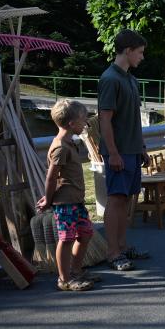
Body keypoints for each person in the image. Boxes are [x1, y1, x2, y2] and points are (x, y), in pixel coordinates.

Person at [98, 29, 150, 271]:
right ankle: (113, 252)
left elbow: (133, 119)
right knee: (116, 199)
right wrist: (113, 153)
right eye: (139, 52)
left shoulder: (130, 79)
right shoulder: (110, 79)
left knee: (126, 199)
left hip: (132, 150)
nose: (142, 57)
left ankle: (122, 245)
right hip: (118, 151)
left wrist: (142, 147)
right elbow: (104, 119)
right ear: (128, 51)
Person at [37, 99, 96, 291]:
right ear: (71, 123)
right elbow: (51, 177)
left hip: (76, 201)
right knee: (67, 239)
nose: (86, 123)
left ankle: (76, 270)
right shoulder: (60, 147)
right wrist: (48, 199)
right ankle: (64, 279)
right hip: (65, 203)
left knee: (85, 234)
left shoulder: (69, 143)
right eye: (83, 120)